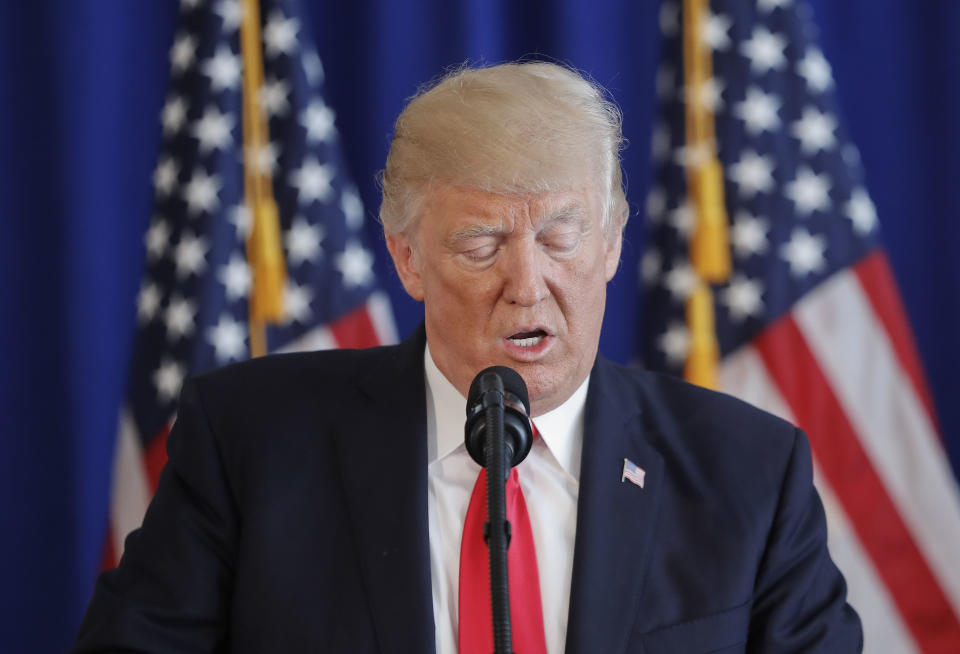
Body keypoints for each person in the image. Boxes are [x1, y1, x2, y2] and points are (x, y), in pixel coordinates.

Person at [73, 61, 862, 653]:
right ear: (408, 258)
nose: (529, 285)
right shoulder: (248, 442)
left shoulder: (749, 471)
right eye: (481, 244)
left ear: (615, 241)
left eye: (561, 237)